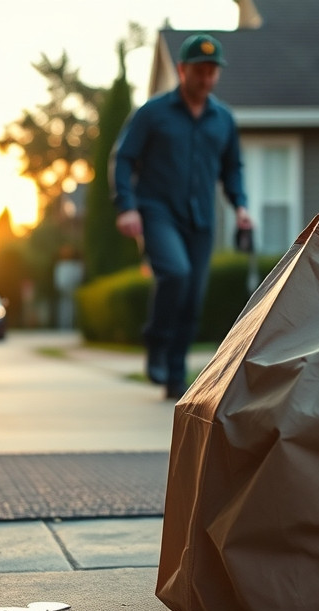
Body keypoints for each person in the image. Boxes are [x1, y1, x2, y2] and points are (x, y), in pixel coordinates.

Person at [111, 33, 252, 399]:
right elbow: (123, 158)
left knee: (192, 298)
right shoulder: (153, 113)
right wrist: (126, 206)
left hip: (202, 220)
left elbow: (232, 167)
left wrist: (240, 206)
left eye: (211, 72)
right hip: (157, 211)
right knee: (175, 272)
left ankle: (175, 377)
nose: (206, 79)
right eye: (199, 72)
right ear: (182, 70)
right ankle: (156, 342)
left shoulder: (223, 119)